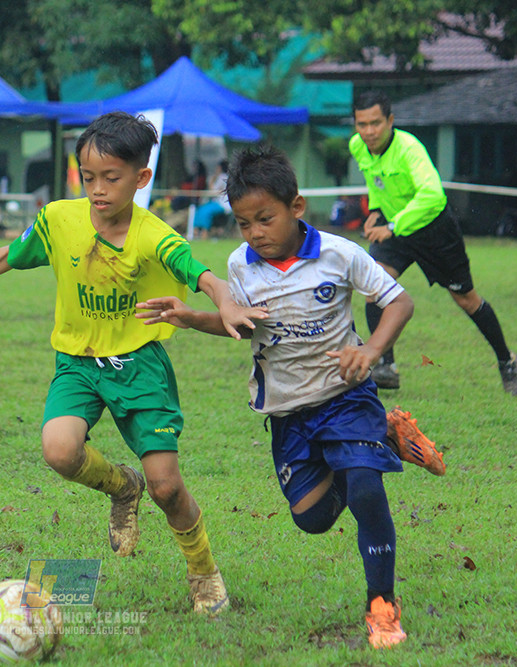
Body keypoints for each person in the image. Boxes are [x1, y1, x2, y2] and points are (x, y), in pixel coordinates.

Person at [0, 111, 267, 615]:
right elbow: (8, 255)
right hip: (78, 362)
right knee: (58, 450)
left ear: (142, 178)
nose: (98, 190)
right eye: (88, 177)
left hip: (139, 366)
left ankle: (203, 570)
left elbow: (201, 273)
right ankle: (123, 487)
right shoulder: (59, 219)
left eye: (112, 178)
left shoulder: (152, 234)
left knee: (167, 487)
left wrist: (224, 298)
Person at [137, 145, 448, 649]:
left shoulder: (339, 254)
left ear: (296, 207)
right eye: (243, 223)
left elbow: (400, 302)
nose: (255, 232)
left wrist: (369, 351)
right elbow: (240, 325)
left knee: (365, 488)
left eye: (265, 218)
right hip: (287, 412)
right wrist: (192, 317)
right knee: (311, 518)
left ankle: (382, 606)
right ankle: (389, 438)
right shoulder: (242, 265)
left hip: (344, 396)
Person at [349, 90, 517, 394]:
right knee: (374, 283)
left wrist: (393, 225)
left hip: (434, 230)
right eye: (362, 124)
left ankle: (507, 360)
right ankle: (386, 366)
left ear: (390, 120)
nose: (369, 131)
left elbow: (433, 195)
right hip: (395, 228)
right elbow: (375, 181)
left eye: (375, 123)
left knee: (466, 299)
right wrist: (377, 210)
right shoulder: (359, 147)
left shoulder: (409, 149)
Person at [191, 159, 232, 239]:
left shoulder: (222, 177)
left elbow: (213, 190)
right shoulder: (224, 177)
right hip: (218, 202)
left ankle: (204, 232)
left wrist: (211, 181)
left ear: (220, 168)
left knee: (206, 211)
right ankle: (196, 231)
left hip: (222, 204)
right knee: (201, 209)